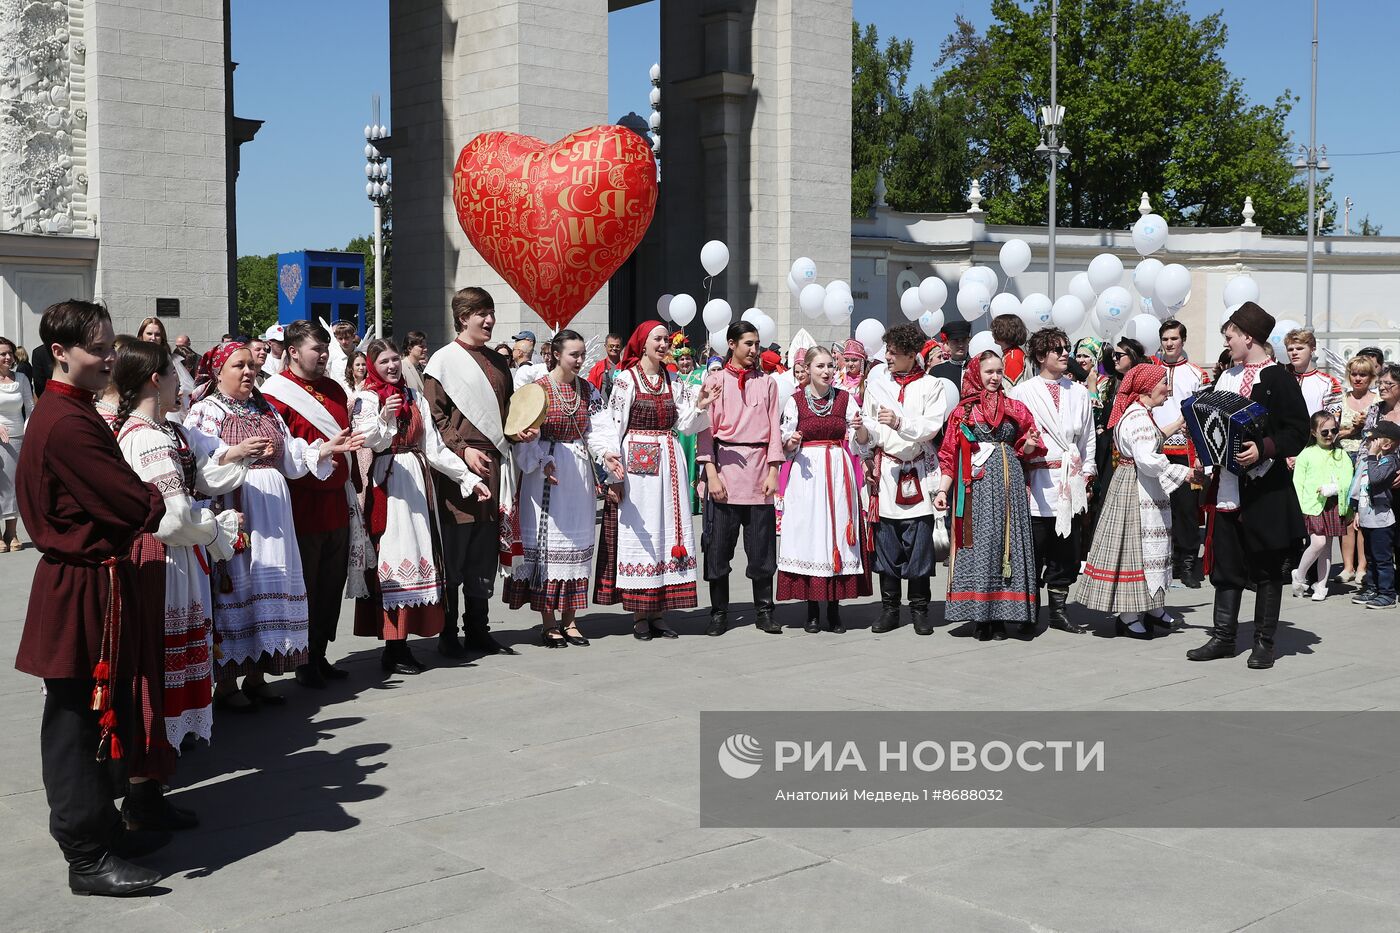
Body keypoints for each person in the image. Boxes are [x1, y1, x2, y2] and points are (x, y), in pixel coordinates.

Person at [17, 299, 167, 896]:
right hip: (78, 584)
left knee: (102, 712)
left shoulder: (72, 412)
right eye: (98, 348)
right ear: (60, 353)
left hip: (95, 578)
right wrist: (150, 501)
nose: (110, 358)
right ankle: (85, 855)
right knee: (77, 720)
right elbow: (134, 502)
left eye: (110, 345)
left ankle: (105, 828)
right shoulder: (66, 421)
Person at [111, 341, 246, 832]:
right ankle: (142, 793)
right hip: (163, 563)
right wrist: (217, 531)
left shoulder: (164, 430)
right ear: (154, 379)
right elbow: (171, 518)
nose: (179, 383)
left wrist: (242, 457)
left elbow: (196, 480)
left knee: (171, 668)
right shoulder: (146, 439)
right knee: (158, 669)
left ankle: (152, 788)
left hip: (178, 561)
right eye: (173, 375)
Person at [185, 342, 356, 707]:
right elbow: (197, 463)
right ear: (218, 371)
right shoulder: (206, 412)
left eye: (250, 365)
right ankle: (228, 685)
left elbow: (291, 452)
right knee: (238, 590)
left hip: (274, 510)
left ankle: (258, 677)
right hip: (237, 507)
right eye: (238, 366)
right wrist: (235, 452)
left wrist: (324, 449)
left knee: (270, 584)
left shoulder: (264, 407)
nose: (248, 372)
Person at [351, 339, 487, 674]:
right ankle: (392, 648)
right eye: (384, 361)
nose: (392, 366)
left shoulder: (415, 397)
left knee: (417, 555)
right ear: (372, 365)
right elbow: (369, 440)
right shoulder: (366, 398)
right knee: (394, 558)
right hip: (389, 484)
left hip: (417, 481)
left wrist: (468, 479)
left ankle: (403, 644)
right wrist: (385, 417)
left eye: (395, 359)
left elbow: (436, 449)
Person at [1188, 302, 1309, 670]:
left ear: (1248, 337)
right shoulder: (1226, 377)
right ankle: (1224, 637)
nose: (1227, 344)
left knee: (1268, 567)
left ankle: (1264, 642)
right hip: (1227, 487)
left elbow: (1298, 431)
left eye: (1230, 337)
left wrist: (1264, 447)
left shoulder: (1279, 379)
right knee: (1226, 566)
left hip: (1265, 489)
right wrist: (1204, 452)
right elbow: (1214, 422)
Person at [261, 321, 368, 689]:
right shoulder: (275, 394)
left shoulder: (336, 390)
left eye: (325, 351)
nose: (323, 356)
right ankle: (303, 659)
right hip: (301, 504)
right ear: (292, 351)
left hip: (336, 502)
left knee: (330, 583)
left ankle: (320, 653)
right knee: (305, 583)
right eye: (315, 350)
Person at [505, 330, 620, 645]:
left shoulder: (587, 390)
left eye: (583, 354)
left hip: (578, 474)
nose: (580, 360)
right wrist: (540, 458)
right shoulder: (537, 390)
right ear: (556, 354)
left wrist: (607, 453)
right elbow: (523, 432)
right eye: (574, 355)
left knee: (576, 546)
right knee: (548, 547)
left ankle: (571, 620)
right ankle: (549, 621)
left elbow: (598, 427)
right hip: (546, 472)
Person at [423, 288, 521, 658]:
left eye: (492, 312)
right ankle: (448, 632)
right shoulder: (443, 362)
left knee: (484, 551)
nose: (490, 320)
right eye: (482, 313)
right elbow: (436, 418)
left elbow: (507, 413)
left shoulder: (499, 363)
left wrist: (519, 430)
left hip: (495, 465)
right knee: (456, 551)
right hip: (457, 472)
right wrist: (462, 452)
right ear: (463, 317)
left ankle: (478, 628)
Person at [594, 321, 704, 638]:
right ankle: (639, 616)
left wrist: (700, 405)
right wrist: (613, 474)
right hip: (636, 469)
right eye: (657, 339)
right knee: (640, 533)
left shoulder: (673, 379)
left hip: (668, 462)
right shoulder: (626, 380)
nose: (663, 344)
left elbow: (684, 423)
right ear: (642, 343)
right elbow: (614, 426)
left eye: (666, 339)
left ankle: (658, 612)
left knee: (666, 531)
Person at [934, 350, 1044, 641]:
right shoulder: (963, 411)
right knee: (979, 543)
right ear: (975, 374)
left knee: (1007, 541)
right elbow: (949, 454)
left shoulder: (1016, 407)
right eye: (988, 372)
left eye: (998, 371)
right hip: (976, 487)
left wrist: (1030, 444)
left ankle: (1003, 614)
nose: (995, 377)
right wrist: (943, 491)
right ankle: (981, 616)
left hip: (1008, 484)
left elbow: (1025, 448)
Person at [1078, 363, 1191, 637]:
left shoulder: (1141, 414)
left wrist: (1177, 424)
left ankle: (1152, 606)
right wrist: (1183, 472)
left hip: (1140, 482)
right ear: (1146, 388)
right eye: (1164, 383)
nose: (1168, 388)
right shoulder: (1138, 417)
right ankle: (1129, 614)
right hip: (1135, 486)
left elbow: (1149, 442)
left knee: (1151, 546)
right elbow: (1145, 456)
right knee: (1135, 548)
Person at [695, 320, 784, 636]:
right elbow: (705, 430)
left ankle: (764, 610)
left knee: (762, 550)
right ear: (731, 344)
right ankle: (719, 612)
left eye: (757, 343)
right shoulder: (715, 380)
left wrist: (774, 471)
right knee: (717, 549)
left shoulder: (768, 383)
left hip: (759, 474)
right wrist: (711, 474)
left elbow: (775, 427)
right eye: (748, 343)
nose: (754, 349)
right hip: (725, 474)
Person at [862, 323, 950, 635]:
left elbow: (931, 427)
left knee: (919, 545)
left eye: (893, 352)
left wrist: (899, 422)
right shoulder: (877, 386)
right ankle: (889, 609)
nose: (886, 356)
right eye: (886, 351)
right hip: (886, 472)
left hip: (918, 469)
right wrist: (863, 438)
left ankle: (920, 609)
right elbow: (869, 429)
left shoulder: (932, 386)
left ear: (911, 355)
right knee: (887, 542)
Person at [1009, 327, 1097, 635]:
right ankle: (1027, 612)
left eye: (1066, 349)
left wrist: (1087, 472)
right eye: (1056, 349)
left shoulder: (1080, 393)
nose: (1064, 355)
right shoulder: (1021, 392)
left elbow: (1087, 439)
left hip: (1069, 481)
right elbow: (1014, 439)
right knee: (1033, 549)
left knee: (1067, 551)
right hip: (1037, 481)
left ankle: (1059, 611)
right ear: (1039, 355)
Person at [777, 346, 871, 632]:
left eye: (831, 365)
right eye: (820, 366)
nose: (827, 371)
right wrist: (790, 441)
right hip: (807, 475)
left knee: (836, 533)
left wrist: (860, 428)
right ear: (807, 369)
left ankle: (834, 609)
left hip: (838, 469)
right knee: (810, 532)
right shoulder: (795, 402)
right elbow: (785, 442)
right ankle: (812, 611)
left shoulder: (845, 399)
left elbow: (861, 440)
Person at [1153, 319, 1211, 588]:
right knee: (1159, 509)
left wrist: (1202, 453)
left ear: (1183, 340)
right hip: (1156, 450)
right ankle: (1162, 562)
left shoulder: (1198, 374)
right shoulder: (1150, 371)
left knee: (1187, 510)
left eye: (1174, 338)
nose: (1169, 343)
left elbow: (1204, 416)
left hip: (1187, 451)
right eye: (1165, 339)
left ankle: (1187, 564)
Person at [1291, 411, 1353, 601]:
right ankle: (1299, 575)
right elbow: (1297, 483)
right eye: (1324, 432)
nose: (1329, 435)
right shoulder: (1306, 454)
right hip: (1312, 505)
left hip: (1334, 504)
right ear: (1313, 432)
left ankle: (1321, 585)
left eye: (1333, 431)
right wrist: (1301, 507)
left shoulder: (1341, 454)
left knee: (1326, 548)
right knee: (1318, 542)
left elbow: (1349, 478)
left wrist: (1335, 488)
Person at [1348, 421, 1399, 609]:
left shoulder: (1389, 460)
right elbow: (1359, 487)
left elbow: (1377, 479)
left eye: (1373, 440)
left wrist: (1371, 457)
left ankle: (1387, 594)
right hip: (1367, 517)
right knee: (1370, 558)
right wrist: (1357, 512)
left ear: (1386, 444)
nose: (1369, 443)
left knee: (1382, 559)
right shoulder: (1371, 460)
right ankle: (1373, 589)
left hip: (1381, 521)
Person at [1337, 354, 1377, 583]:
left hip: (1367, 459)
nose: (1358, 378)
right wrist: (1351, 429)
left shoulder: (1378, 399)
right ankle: (1347, 566)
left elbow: (1383, 431)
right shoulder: (1341, 399)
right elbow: (1330, 432)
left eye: (1363, 374)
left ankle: (1363, 565)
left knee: (1363, 513)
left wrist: (1366, 427)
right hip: (1343, 458)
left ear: (1371, 377)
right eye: (1354, 374)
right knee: (1346, 514)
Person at [0, 336, 34, 551]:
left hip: (18, 438)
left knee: (13, 486)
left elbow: (30, 408)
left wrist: (28, 429)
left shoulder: (21, 378)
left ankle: (11, 533)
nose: (7, 357)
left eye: (9, 353)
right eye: (2, 353)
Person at [137, 316, 196, 418]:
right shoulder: (135, 357)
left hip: (166, 408)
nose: (153, 338)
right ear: (141, 335)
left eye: (157, 334)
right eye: (149, 333)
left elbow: (178, 383)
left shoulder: (167, 359)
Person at [1284, 328, 1343, 417]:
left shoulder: (1329, 383)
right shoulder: (1281, 381)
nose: (1294, 353)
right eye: (1290, 349)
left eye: (1300, 348)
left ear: (1312, 349)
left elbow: (1334, 419)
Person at [992, 314, 1029, 385]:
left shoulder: (1013, 357)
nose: (993, 333)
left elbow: (1012, 389)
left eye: (996, 329)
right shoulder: (1011, 353)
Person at [587, 332, 624, 402]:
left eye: (617, 346)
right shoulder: (598, 367)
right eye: (611, 346)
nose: (614, 348)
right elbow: (590, 388)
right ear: (605, 346)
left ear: (621, 347)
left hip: (622, 408)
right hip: (603, 409)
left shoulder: (626, 367)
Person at [836, 338, 866, 403]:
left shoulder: (867, 381)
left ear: (862, 361)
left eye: (854, 360)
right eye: (847, 360)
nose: (850, 364)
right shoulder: (838, 379)